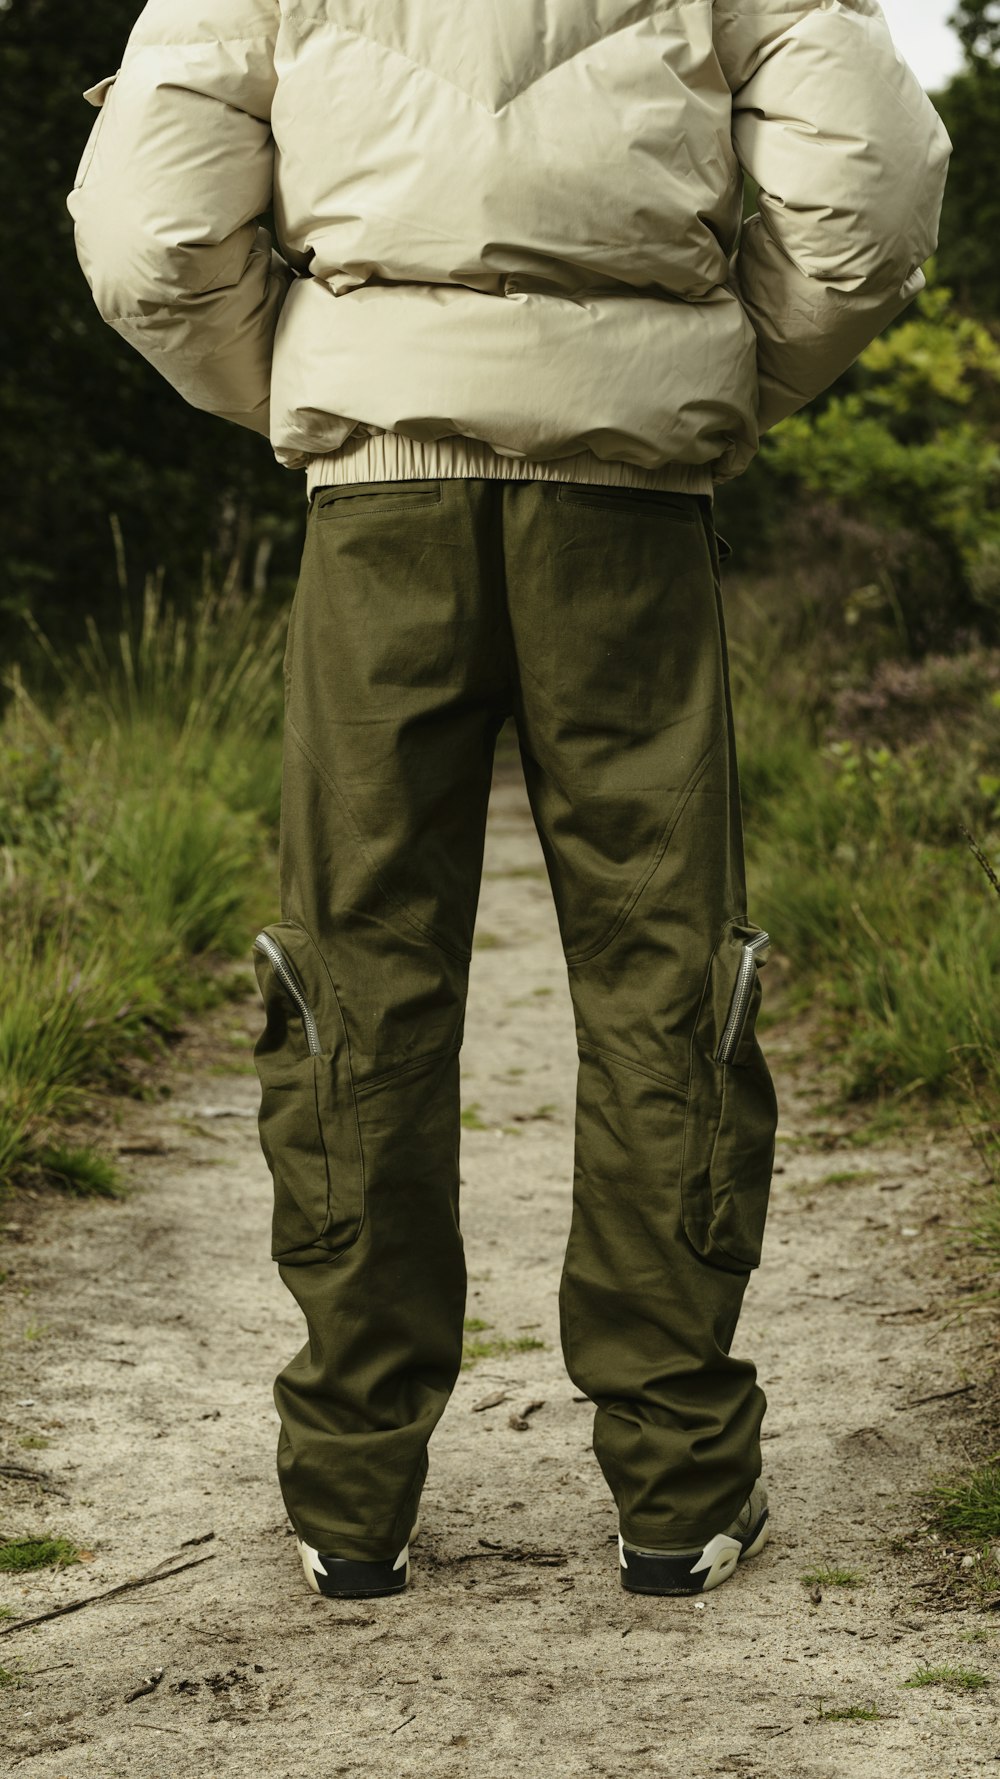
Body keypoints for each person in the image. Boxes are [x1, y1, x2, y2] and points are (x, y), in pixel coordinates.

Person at [68, 0, 950, 1602]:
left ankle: (350, 1498)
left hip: (380, 500)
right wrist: (725, 374)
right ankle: (678, 1489)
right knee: (660, 972)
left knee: (359, 970)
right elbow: (871, 194)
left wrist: (311, 377)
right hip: (626, 501)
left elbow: (148, 228)